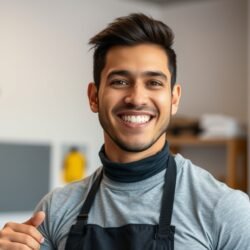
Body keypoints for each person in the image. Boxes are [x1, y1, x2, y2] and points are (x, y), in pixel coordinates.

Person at [0, 13, 250, 250]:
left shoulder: (225, 210)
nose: (136, 98)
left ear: (174, 99)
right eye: (120, 81)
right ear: (94, 97)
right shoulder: (55, 210)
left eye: (154, 83)